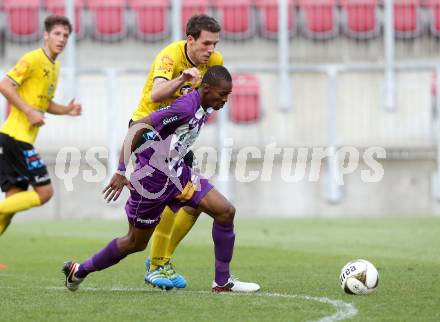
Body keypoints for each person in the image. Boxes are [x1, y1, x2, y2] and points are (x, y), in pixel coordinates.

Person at [62, 65, 260, 293]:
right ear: (206, 89)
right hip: (151, 182)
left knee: (225, 211)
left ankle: (222, 282)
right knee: (135, 242)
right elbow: (138, 127)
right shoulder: (186, 108)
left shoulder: (206, 104)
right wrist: (119, 171)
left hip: (178, 175)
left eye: (228, 95)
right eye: (222, 94)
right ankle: (79, 270)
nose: (226, 100)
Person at [130, 14, 223, 289]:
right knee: (172, 201)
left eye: (215, 44)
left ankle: (159, 261)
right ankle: (157, 264)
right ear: (190, 40)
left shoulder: (215, 63)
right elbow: (156, 95)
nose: (211, 50)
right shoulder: (170, 56)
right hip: (149, 132)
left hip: (177, 138)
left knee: (195, 204)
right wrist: (183, 78)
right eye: (206, 43)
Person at [0, 15, 81, 236]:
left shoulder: (55, 67)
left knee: (11, 206)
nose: (61, 39)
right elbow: (5, 85)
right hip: (15, 138)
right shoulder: (33, 59)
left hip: (17, 140)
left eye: (65, 35)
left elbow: (43, 103)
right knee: (45, 193)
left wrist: (66, 110)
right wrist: (28, 111)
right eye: (57, 33)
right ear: (46, 35)